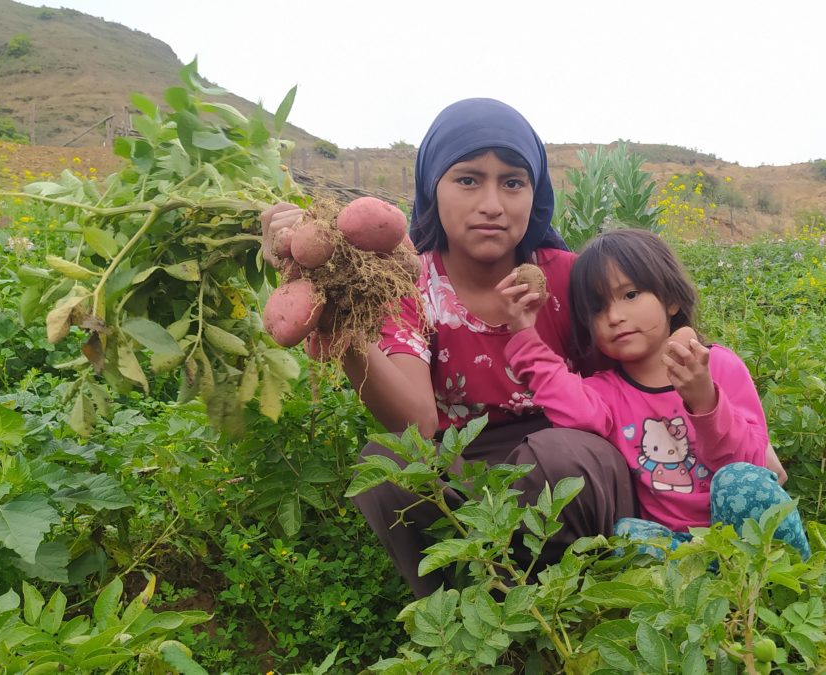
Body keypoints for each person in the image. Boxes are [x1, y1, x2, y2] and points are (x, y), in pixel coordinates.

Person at [261, 98, 638, 598]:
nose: (492, 204)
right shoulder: (410, 285)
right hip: (466, 466)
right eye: (467, 179)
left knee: (558, 455)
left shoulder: (569, 277)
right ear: (430, 189)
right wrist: (341, 327)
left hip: (574, 455)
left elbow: (650, 365)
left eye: (512, 182)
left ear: (535, 192)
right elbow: (416, 425)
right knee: (387, 464)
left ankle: (577, 592)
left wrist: (729, 419)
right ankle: (465, 609)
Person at [497, 228, 810, 558]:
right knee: (626, 536)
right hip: (680, 546)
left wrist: (705, 402)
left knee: (739, 480)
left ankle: (782, 576)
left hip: (745, 535)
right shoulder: (606, 390)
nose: (615, 317)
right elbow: (573, 408)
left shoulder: (717, 366)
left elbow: (755, 466)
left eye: (630, 295)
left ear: (671, 299)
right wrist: (523, 335)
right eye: (598, 308)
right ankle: (706, 589)